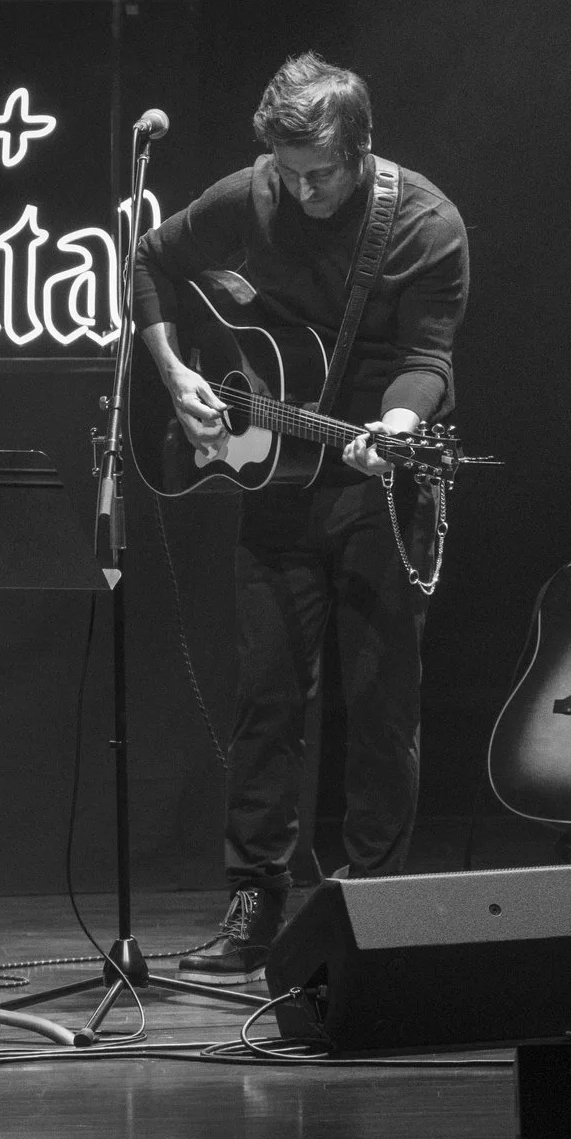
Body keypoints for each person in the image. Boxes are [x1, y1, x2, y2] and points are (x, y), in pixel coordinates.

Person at [131, 53, 469, 972]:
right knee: (267, 701)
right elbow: (150, 261)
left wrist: (396, 427)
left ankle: (374, 910)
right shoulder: (255, 193)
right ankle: (253, 906)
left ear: (362, 148)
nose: (302, 191)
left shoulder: (426, 225)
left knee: (380, 706)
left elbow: (429, 359)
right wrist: (178, 374)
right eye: (288, 172)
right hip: (276, 481)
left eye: (320, 173)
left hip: (380, 478)